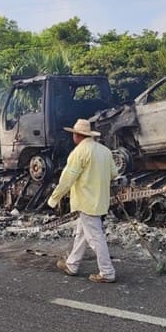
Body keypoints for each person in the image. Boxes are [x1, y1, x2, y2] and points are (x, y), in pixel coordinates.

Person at [48, 118, 119, 283]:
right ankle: (72, 265)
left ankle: (107, 272)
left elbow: (67, 179)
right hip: (99, 201)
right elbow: (114, 174)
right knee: (81, 234)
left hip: (86, 202)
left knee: (95, 238)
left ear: (77, 135)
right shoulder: (105, 151)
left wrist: (54, 199)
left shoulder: (79, 152)